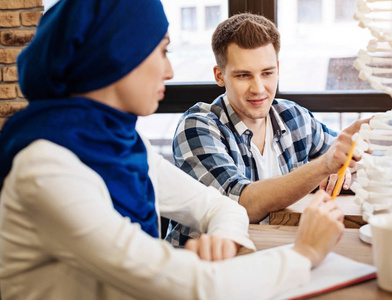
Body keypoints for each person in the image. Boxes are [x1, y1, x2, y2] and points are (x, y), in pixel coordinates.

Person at [0, 1, 346, 299]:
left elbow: (222, 208)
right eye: (162, 51)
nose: (169, 71)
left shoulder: (127, 147)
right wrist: (305, 253)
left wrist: (223, 242)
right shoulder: (47, 169)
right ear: (118, 57)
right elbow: (190, 286)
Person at [167, 13, 368, 246]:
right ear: (220, 76)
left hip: (273, 255)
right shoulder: (197, 127)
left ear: (278, 69)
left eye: (267, 73)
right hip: (205, 269)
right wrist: (324, 166)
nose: (259, 88)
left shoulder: (292, 117)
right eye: (243, 75)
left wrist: (346, 164)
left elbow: (349, 160)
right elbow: (239, 206)